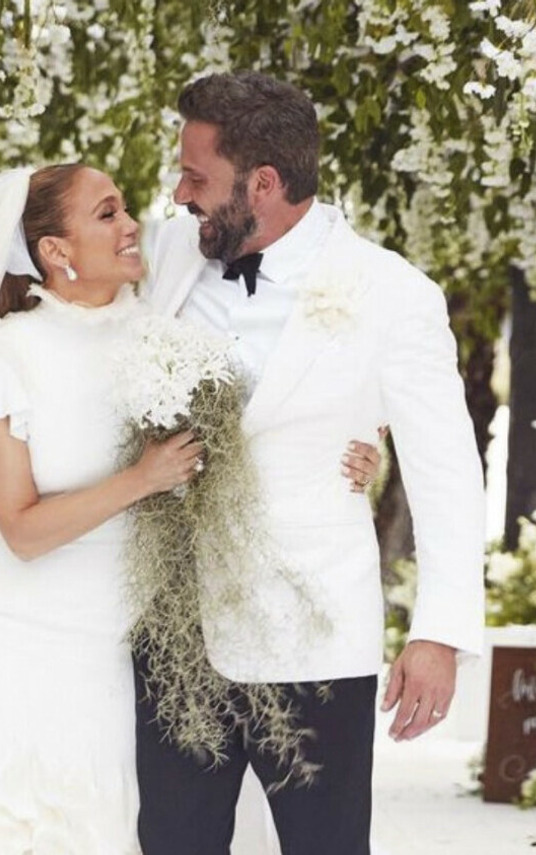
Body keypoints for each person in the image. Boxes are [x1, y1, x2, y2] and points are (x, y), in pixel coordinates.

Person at [0, 164, 383, 854]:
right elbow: (22, 529)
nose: (130, 226)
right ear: (55, 250)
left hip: (131, 645)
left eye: (124, 209)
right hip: (26, 641)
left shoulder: (161, 330)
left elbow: (257, 421)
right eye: (107, 214)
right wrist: (142, 478)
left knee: (117, 826)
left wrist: (353, 450)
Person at [136, 70, 485, 855]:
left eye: (196, 177)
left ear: (262, 183)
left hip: (316, 634)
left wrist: (438, 633)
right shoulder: (170, 252)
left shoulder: (394, 294)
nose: (180, 193)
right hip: (179, 633)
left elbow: (446, 472)